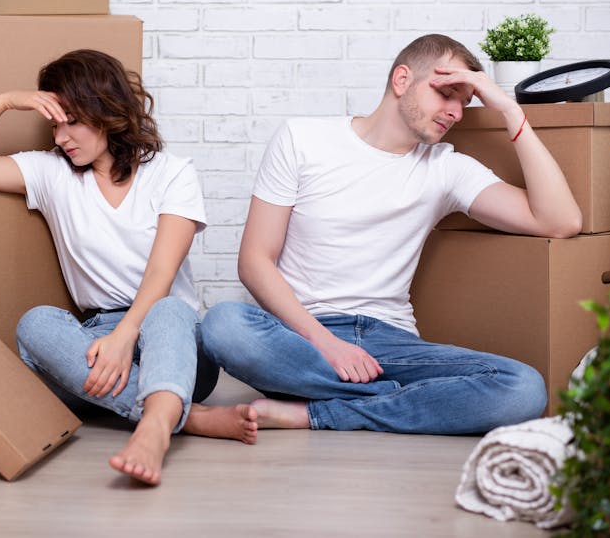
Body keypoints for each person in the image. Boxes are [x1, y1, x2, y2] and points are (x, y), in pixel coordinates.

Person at [200, 34, 582, 435]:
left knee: (523, 388)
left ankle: (315, 413)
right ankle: (408, 401)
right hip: (304, 339)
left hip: (390, 343)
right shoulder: (302, 139)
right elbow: (254, 261)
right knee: (223, 325)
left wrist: (507, 108)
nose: (455, 113)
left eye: (465, 103)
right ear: (402, 80)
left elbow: (559, 221)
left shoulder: (447, 169)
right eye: (446, 93)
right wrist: (328, 344)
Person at [0, 49, 257, 485]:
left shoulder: (172, 174)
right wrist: (3, 101)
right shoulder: (51, 174)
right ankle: (185, 418)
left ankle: (155, 430)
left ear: (107, 112)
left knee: (171, 310)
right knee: (35, 324)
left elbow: (161, 274)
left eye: (73, 121)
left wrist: (126, 335)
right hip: (99, 342)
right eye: (55, 124)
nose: (62, 137)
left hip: (172, 341)